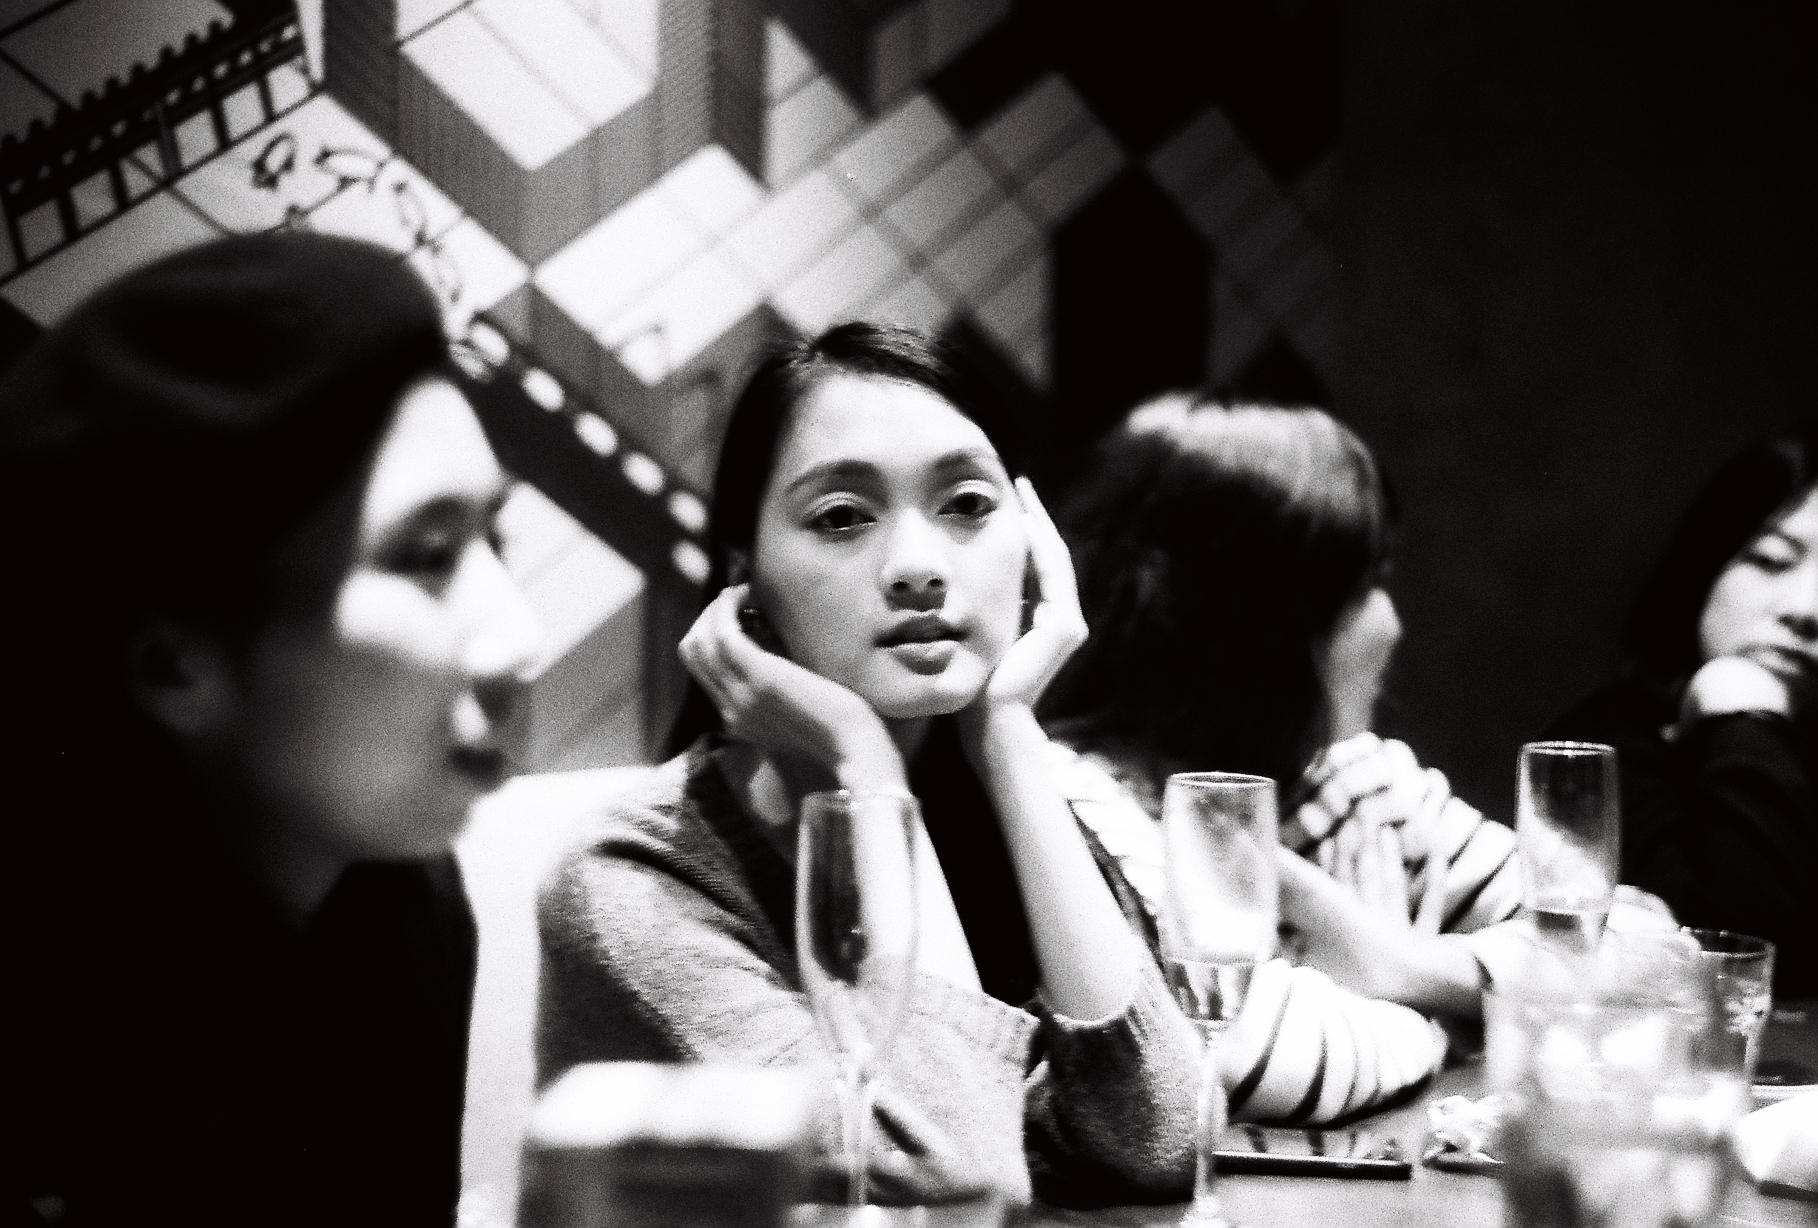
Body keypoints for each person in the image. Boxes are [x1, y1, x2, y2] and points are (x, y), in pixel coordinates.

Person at [536, 324, 1199, 1208]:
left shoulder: (997, 804)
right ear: (744, 576)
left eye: (968, 504)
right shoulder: (635, 881)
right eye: (843, 517)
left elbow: (1158, 1140)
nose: (918, 567)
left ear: (1035, 544)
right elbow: (948, 1180)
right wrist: (864, 767)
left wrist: (1007, 733)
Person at [2, 233, 541, 1226]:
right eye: (428, 555)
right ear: (175, 662)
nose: (521, 639)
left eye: (494, 538)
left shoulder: (400, 905)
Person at [1041, 396, 1583, 1120]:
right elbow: (1242, 1054)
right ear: (1258, 627)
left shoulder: (1359, 782)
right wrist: (1456, 1015)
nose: (1393, 623)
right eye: (1367, 586)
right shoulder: (1082, 803)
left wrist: (1404, 965)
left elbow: (1624, 942)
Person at [1549, 425, 1817, 996]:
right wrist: (1743, 716)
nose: (1806, 609)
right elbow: (1740, 967)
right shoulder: (1601, 751)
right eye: (1771, 560)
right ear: (1704, 567)